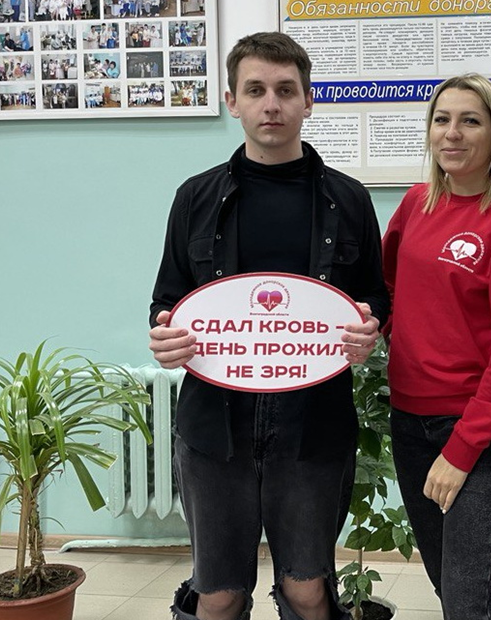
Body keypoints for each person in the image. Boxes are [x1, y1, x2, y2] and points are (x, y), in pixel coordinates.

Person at [148, 32, 388, 620]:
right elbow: (167, 299)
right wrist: (164, 336)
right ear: (233, 101)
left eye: (285, 90)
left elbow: (374, 296)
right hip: (214, 424)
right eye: (255, 90)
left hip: (315, 422)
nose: (271, 104)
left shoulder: (349, 199)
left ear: (309, 100)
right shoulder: (195, 197)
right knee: (219, 593)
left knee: (308, 590)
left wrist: (371, 326)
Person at [381, 74, 491, 619]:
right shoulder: (416, 204)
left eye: (470, 121)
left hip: (479, 430)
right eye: (442, 119)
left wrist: (462, 449)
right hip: (409, 420)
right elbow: (388, 289)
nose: (452, 133)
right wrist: (390, 332)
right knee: (449, 587)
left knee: (467, 601)